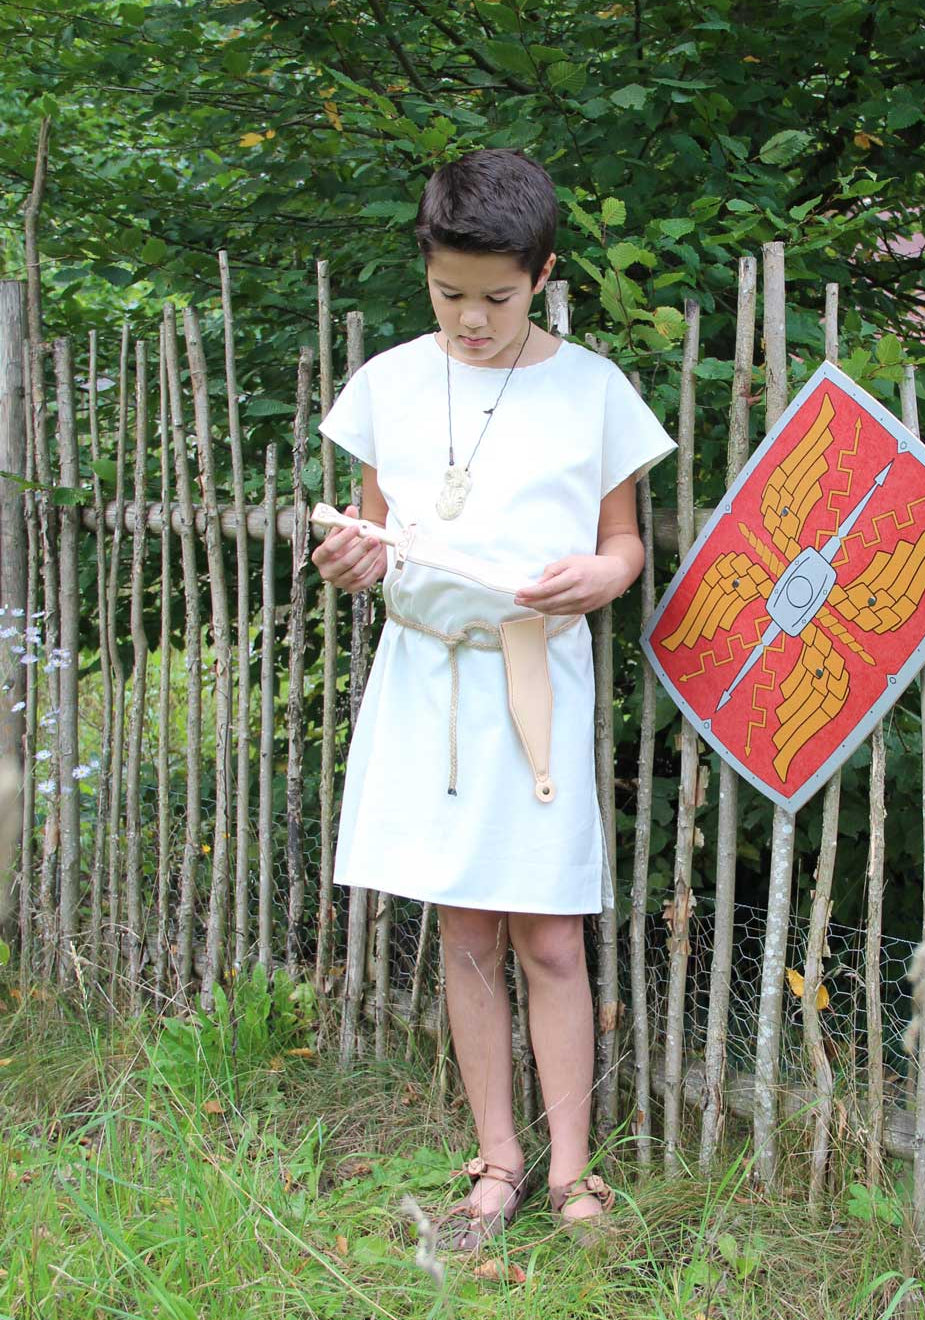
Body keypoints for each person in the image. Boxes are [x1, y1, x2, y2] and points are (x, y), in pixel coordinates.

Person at [311, 148, 675, 1250]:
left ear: (544, 272)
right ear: (426, 271)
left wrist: (606, 576)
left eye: (497, 298)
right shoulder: (387, 383)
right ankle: (497, 1161)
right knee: (465, 928)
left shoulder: (594, 388)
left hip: (535, 682)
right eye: (449, 295)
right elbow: (371, 534)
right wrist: (353, 563)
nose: (471, 321)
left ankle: (571, 1175)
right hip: (426, 681)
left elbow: (625, 545)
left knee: (551, 937)